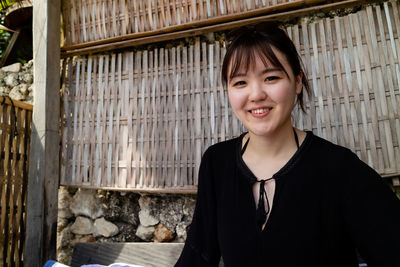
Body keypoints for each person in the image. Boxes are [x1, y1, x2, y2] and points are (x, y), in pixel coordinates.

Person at [175, 22, 400, 267]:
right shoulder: (217, 163)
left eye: (271, 77)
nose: (256, 94)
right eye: (240, 82)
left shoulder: (338, 168)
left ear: (298, 81)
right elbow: (197, 257)